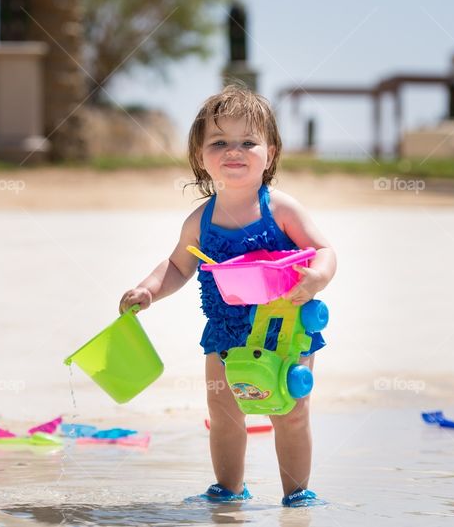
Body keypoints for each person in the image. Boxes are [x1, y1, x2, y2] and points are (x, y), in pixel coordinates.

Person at [119, 84, 337, 507]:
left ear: (270, 154)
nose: (233, 151)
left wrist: (317, 277)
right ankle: (229, 489)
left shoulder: (281, 209)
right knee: (223, 413)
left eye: (247, 142)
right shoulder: (200, 221)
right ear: (201, 156)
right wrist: (147, 290)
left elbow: (324, 250)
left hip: (284, 329)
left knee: (289, 411)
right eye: (219, 142)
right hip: (224, 332)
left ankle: (297, 493)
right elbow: (179, 265)